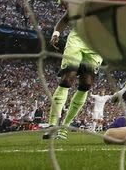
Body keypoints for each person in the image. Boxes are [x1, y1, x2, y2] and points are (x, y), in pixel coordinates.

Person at [43, 10, 103, 140]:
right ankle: (52, 125)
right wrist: (56, 33)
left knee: (86, 83)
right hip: (77, 40)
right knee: (67, 79)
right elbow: (65, 19)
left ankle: (65, 127)